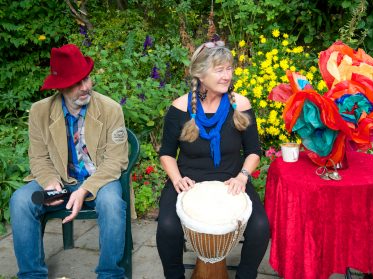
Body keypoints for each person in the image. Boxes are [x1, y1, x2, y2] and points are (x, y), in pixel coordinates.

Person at [10, 44, 129, 279]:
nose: (85, 87)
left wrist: (85, 189)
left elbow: (116, 160)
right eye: (76, 83)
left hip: (98, 181)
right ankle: (32, 275)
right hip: (60, 181)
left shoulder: (111, 109)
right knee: (21, 200)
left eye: (86, 79)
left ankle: (110, 274)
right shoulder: (39, 112)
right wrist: (49, 182)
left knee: (112, 204)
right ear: (61, 87)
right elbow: (38, 157)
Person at [157, 40, 270, 279]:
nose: (227, 75)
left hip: (232, 180)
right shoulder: (179, 108)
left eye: (229, 68)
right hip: (189, 180)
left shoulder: (239, 104)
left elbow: (253, 150)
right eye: (219, 70)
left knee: (261, 227)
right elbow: (166, 153)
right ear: (200, 73)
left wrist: (243, 176)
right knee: (167, 227)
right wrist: (176, 179)